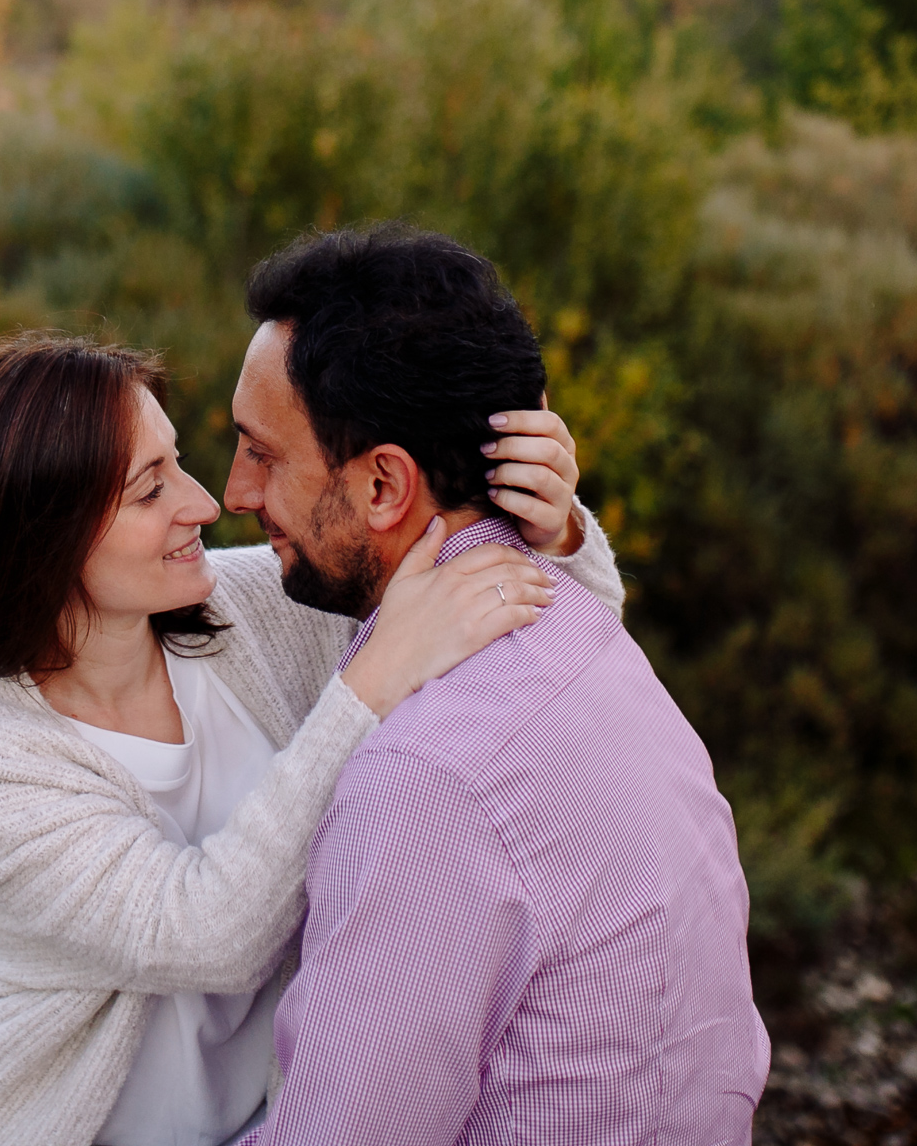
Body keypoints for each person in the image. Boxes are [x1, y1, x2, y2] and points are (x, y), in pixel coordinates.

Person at [0, 332, 626, 1146]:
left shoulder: (243, 608)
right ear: (41, 536)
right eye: (149, 490)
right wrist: (371, 680)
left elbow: (523, 660)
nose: (203, 503)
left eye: (178, 463)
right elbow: (206, 935)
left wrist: (550, 533)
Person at [224, 225, 771, 1145]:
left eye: (262, 454)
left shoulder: (427, 776)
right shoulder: (582, 630)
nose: (235, 492)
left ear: (385, 486)